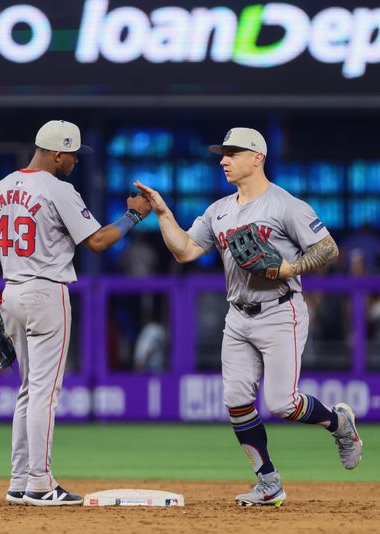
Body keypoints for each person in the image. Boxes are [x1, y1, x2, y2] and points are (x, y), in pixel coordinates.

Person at [135, 127, 363, 506]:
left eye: (232, 153)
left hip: (280, 311)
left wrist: (289, 269)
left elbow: (328, 248)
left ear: (257, 157)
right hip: (238, 315)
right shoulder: (220, 210)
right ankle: (268, 483)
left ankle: (340, 424)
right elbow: (186, 251)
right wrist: (162, 213)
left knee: (282, 404)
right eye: (222, 154)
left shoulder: (285, 205)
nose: (223, 160)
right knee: (237, 400)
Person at [0, 120, 150, 506]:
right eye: (72, 155)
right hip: (46, 292)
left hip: (11, 294)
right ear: (57, 153)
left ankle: (19, 480)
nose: (74, 161)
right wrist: (134, 216)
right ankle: (39, 482)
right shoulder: (59, 189)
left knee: (27, 390)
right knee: (44, 392)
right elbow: (99, 242)